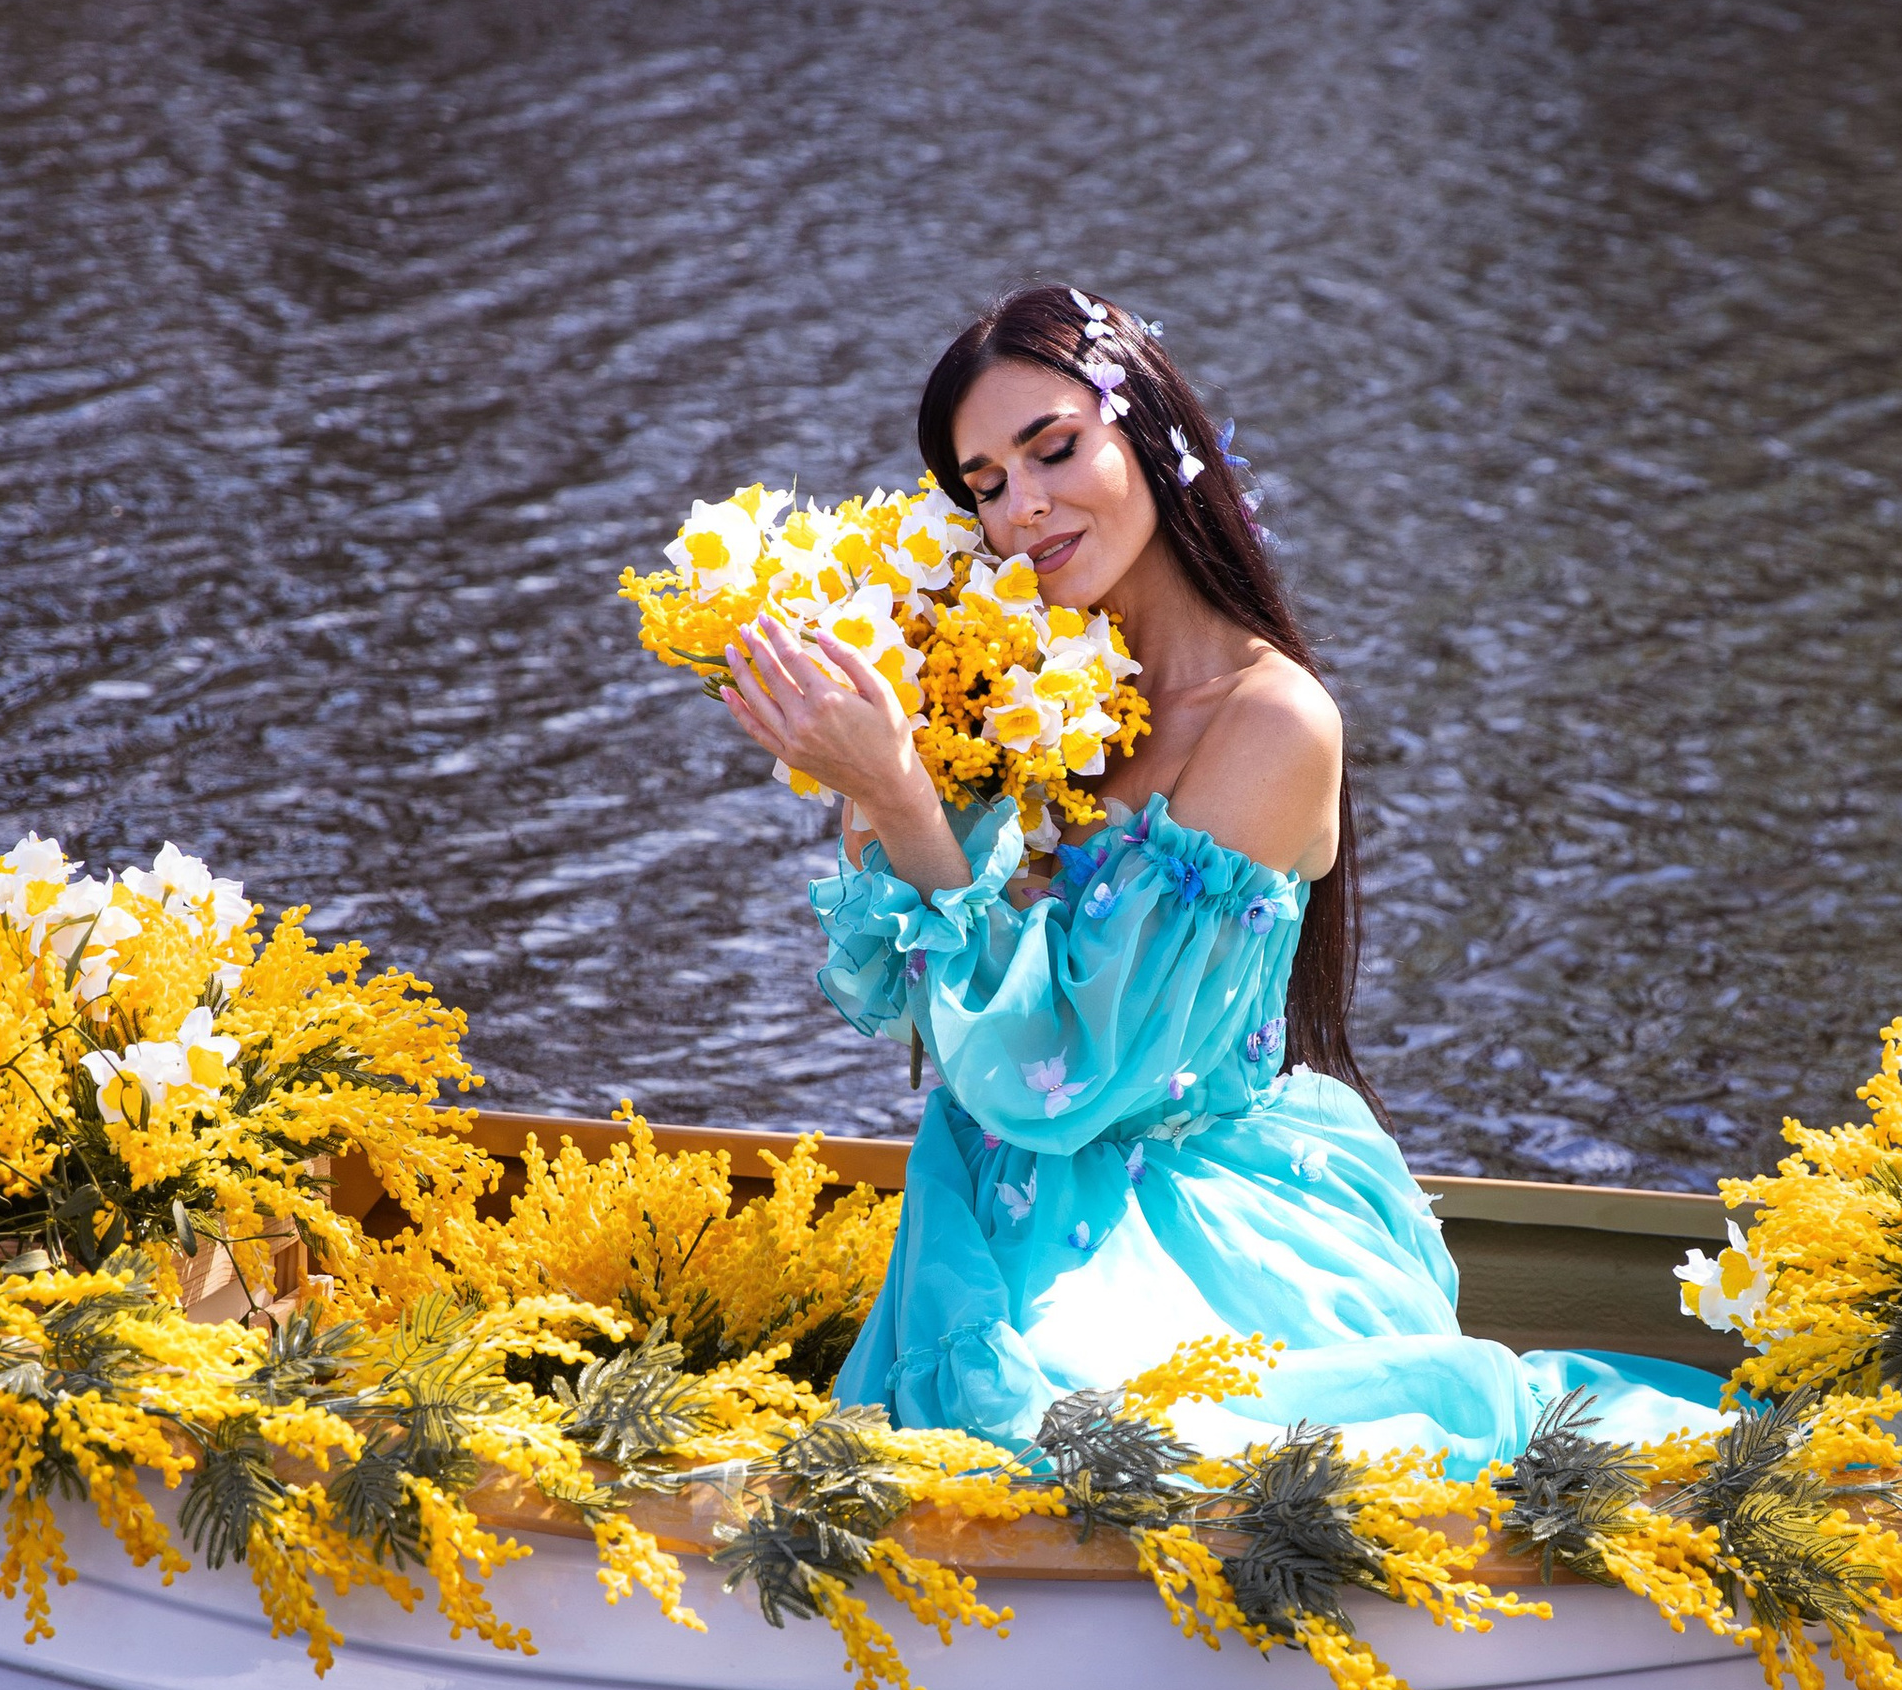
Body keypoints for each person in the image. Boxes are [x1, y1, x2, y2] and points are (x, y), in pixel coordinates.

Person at [718, 285, 1719, 1467]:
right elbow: (893, 989)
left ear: (1144, 435)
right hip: (985, 1202)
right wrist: (883, 751)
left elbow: (1075, 1077)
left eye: (1052, 450)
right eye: (984, 485)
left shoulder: (1273, 723)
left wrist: (901, 797)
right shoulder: (1024, 681)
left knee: (1102, 1438)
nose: (1023, 507)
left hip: (1198, 1217)